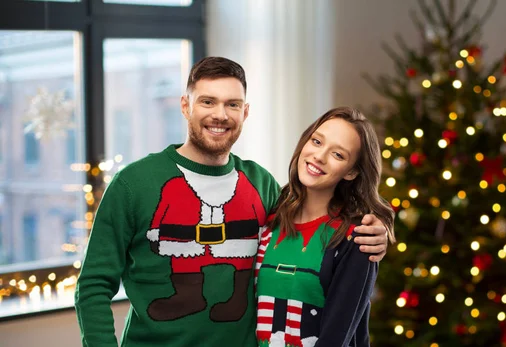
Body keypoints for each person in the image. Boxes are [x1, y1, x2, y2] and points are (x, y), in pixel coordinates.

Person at [74, 57, 390, 347]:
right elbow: (92, 286)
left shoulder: (262, 184)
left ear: (245, 112)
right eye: (207, 101)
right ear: (186, 106)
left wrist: (378, 229)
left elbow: (315, 218)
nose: (220, 115)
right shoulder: (134, 184)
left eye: (232, 104)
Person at [254, 107, 395, 347]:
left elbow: (337, 337)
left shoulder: (357, 239)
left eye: (338, 155)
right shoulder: (267, 219)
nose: (319, 156)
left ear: (351, 172)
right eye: (317, 141)